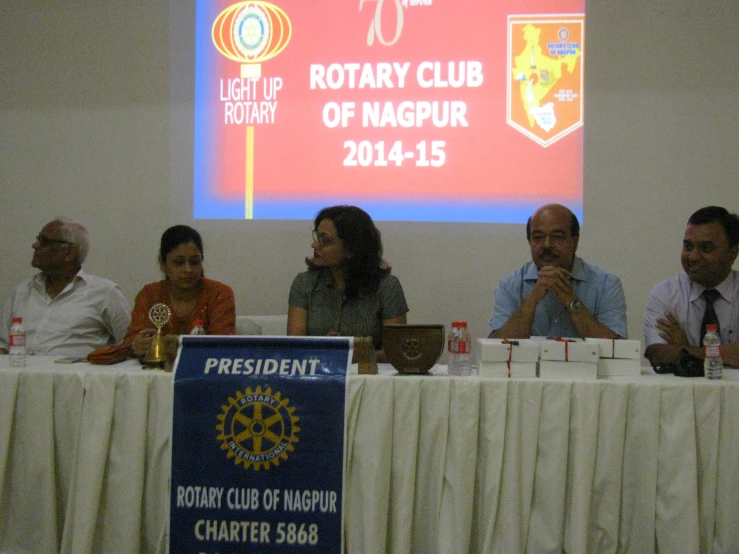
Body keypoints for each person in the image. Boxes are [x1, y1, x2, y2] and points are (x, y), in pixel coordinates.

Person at [287, 205, 408, 362]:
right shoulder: (304, 283)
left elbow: (397, 351)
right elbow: (293, 347)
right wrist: (323, 348)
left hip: (369, 379)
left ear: (351, 250)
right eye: (317, 237)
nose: (315, 245)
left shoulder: (387, 287)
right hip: (317, 375)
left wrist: (351, 354)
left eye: (325, 240)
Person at [489, 203, 627, 339]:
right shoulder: (509, 285)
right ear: (529, 241)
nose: (547, 244)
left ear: (575, 241)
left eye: (557, 237)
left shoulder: (606, 284)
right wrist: (532, 299)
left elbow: (617, 348)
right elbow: (496, 347)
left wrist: (570, 300)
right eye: (538, 237)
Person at [0, 217, 131, 357]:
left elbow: (128, 345)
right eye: (38, 239)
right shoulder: (22, 291)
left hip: (76, 377)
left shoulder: (105, 292)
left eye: (44, 242)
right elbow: (3, 344)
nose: (35, 245)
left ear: (70, 253)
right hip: (20, 376)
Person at [644, 206, 739, 368]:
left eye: (706, 248)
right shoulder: (665, 292)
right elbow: (658, 354)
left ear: (732, 253)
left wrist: (686, 349)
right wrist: (724, 354)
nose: (693, 256)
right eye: (688, 247)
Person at [123, 225, 236, 358]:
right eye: (179, 262)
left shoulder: (219, 293)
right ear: (162, 263)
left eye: (194, 262)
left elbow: (222, 345)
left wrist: (165, 345)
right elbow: (130, 341)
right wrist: (136, 345)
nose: (188, 269)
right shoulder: (149, 294)